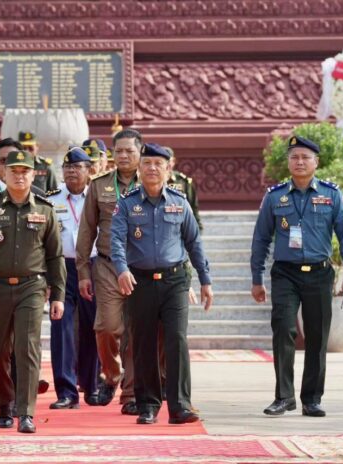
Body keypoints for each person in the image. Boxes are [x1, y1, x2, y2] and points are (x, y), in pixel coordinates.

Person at [251, 135, 343, 418]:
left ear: (316, 162)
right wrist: (257, 278)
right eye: (294, 157)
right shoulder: (275, 196)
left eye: (305, 157)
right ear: (288, 162)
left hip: (319, 274)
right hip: (285, 273)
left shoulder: (331, 195)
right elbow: (261, 239)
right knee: (283, 329)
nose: (299, 162)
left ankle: (312, 399)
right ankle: (284, 397)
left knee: (316, 336)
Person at [111, 143, 213, 425]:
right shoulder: (127, 204)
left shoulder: (180, 202)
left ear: (169, 169)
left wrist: (205, 279)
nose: (152, 169)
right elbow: (116, 240)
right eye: (147, 163)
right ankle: (147, 405)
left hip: (175, 281)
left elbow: (194, 242)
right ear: (139, 169)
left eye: (159, 164)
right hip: (140, 281)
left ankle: (180, 406)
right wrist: (121, 270)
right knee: (143, 342)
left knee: (176, 340)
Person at [0, 149, 66, 433]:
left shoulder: (45, 209)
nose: (20, 176)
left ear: (33, 174)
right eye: (14, 171)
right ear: (4, 172)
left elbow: (55, 255)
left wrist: (58, 294)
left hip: (32, 287)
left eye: (25, 171)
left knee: (27, 348)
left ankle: (26, 412)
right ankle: (4, 403)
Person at [76, 128, 142, 415]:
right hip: (106, 265)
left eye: (130, 150)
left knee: (135, 332)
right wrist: (83, 271)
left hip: (141, 268)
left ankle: (131, 394)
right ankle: (112, 374)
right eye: (119, 151)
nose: (123, 155)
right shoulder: (99, 185)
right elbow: (87, 229)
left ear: (140, 152)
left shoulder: (150, 182)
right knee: (106, 327)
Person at [46, 147, 101, 408]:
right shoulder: (51, 199)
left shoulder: (100, 197)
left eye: (77, 167)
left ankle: (92, 385)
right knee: (62, 328)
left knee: (94, 327)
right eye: (67, 167)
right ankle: (66, 391)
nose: (71, 171)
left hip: (94, 266)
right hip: (62, 267)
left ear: (90, 170)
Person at [166, 149, 202, 231]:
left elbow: (193, 207)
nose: (166, 164)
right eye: (163, 161)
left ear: (173, 161)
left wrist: (198, 229)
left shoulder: (183, 181)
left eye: (168, 161)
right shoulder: (148, 181)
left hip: (180, 228)